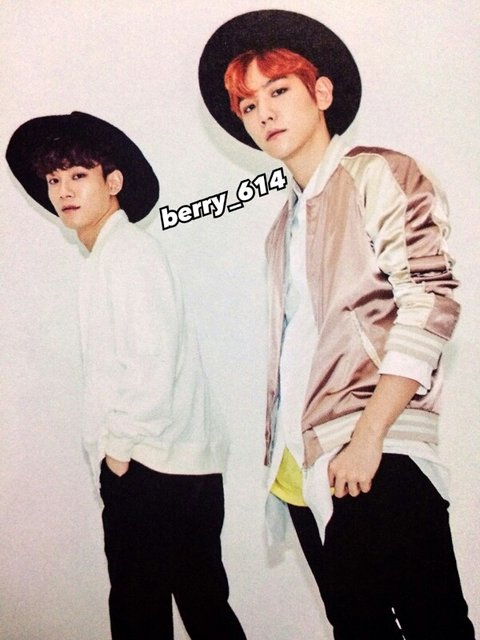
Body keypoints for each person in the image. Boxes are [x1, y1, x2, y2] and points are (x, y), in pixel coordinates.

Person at [199, 10, 475, 639]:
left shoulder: (377, 172)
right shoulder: (282, 225)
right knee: (357, 627)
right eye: (248, 105)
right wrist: (283, 464)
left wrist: (370, 435)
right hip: (303, 462)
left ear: (321, 93)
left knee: (435, 624)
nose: (263, 113)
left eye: (278, 91)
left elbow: (430, 299)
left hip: (376, 446)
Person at [6, 111, 245, 640]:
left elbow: (150, 361)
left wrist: (118, 451)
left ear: (113, 182)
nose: (64, 191)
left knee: (142, 614)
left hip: (152, 467)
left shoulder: (128, 254)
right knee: (204, 608)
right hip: (171, 463)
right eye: (54, 179)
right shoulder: (111, 255)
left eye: (78, 175)